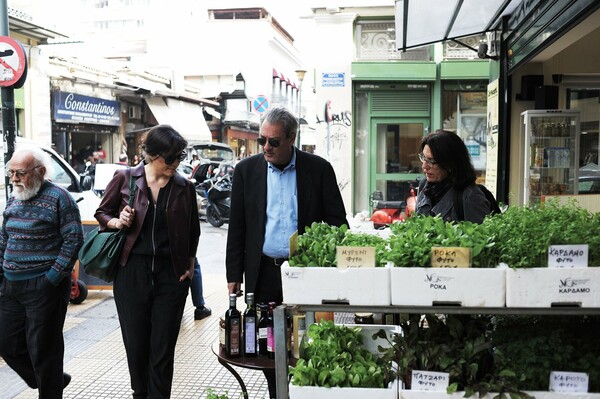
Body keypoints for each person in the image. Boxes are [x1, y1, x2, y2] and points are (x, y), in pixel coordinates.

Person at [225, 106, 348, 398]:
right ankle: (276, 394)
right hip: (264, 272)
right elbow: (237, 227)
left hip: (305, 273)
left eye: (274, 141)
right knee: (270, 345)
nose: (266, 147)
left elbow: (338, 222)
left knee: (308, 341)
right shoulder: (246, 171)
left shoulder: (318, 169)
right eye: (262, 140)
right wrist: (234, 275)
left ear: (292, 138)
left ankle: (305, 391)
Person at [95, 125, 200, 398]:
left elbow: (192, 231)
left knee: (162, 350)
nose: (176, 163)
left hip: (171, 277)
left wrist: (189, 266)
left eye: (180, 156)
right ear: (152, 155)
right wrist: (118, 221)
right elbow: (102, 212)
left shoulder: (184, 187)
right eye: (170, 158)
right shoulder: (125, 178)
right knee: (137, 346)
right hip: (132, 273)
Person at [0, 147, 83, 398]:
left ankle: (50, 385)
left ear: (41, 172)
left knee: (44, 350)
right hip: (10, 286)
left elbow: (74, 239)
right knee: (7, 343)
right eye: (11, 172)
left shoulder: (60, 197)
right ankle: (51, 380)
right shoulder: (14, 198)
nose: (14, 178)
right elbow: (4, 239)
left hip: (44, 286)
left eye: (20, 173)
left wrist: (52, 278)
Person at [414, 129, 491, 223]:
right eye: (423, 158)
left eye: (431, 161)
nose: (424, 166)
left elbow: (481, 236)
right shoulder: (424, 185)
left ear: (450, 164)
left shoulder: (470, 196)